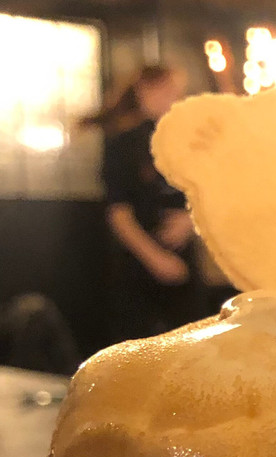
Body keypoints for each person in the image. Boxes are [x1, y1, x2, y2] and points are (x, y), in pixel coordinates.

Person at [83, 65, 207, 342]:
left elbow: (204, 194)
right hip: (138, 263)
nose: (172, 99)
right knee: (138, 345)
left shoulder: (185, 141)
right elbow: (119, 213)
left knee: (191, 341)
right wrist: (156, 259)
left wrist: (190, 220)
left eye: (177, 93)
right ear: (143, 91)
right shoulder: (123, 142)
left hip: (183, 259)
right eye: (165, 91)